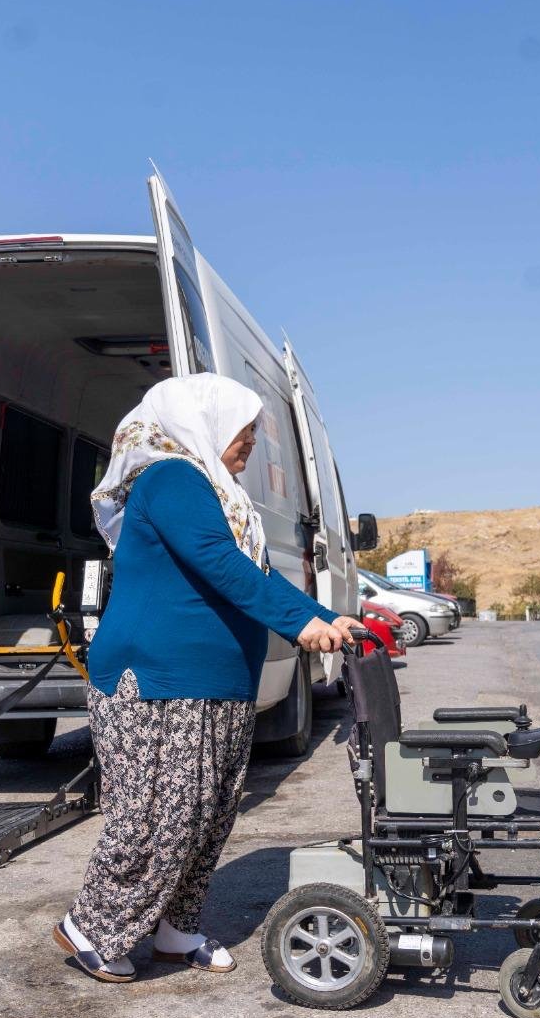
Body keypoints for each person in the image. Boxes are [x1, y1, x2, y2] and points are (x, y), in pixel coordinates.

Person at [53, 373, 360, 982]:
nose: (249, 442)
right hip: (159, 678)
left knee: (208, 812)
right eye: (242, 430)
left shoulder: (225, 496)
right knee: (157, 815)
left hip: (218, 682)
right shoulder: (173, 478)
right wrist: (300, 628)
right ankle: (93, 924)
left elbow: (259, 578)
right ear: (205, 423)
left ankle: (175, 929)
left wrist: (325, 617)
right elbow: (217, 564)